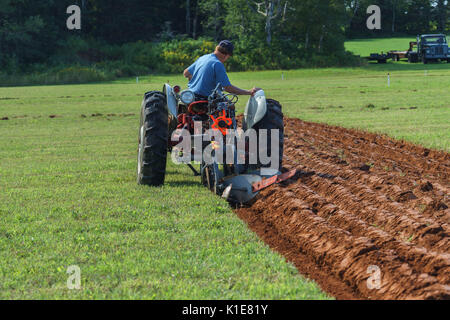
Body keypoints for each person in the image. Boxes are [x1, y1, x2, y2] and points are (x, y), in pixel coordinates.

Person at [183, 40, 261, 100]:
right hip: (205, 100)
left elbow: (186, 73)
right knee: (230, 107)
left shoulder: (203, 58)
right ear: (226, 55)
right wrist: (249, 92)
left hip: (191, 97)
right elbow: (228, 88)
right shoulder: (217, 64)